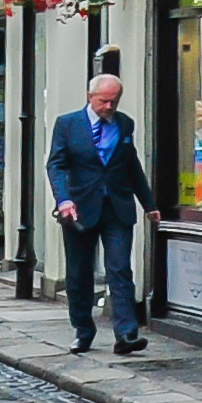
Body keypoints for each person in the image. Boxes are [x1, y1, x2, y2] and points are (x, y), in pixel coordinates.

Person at [45, 72, 153, 357]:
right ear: (90, 97)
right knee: (79, 273)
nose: (109, 107)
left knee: (119, 269)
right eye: (104, 101)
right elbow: (55, 165)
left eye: (114, 101)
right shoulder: (68, 124)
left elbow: (132, 166)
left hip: (117, 208)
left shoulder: (125, 123)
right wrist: (64, 199)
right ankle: (83, 330)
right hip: (79, 210)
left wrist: (149, 203)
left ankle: (126, 334)